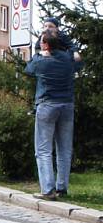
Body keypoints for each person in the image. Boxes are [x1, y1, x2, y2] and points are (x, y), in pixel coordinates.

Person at [24, 30, 82, 200]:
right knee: (64, 148)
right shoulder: (67, 58)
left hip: (47, 105)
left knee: (43, 149)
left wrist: (38, 54)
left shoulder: (41, 61)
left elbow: (28, 69)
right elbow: (78, 62)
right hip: (67, 105)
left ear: (46, 45)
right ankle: (62, 187)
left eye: (42, 42)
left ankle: (47, 190)